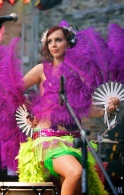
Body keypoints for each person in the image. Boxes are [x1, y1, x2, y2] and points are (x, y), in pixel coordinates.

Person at [16, 21, 120, 195]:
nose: (53, 45)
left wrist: (107, 109)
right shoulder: (41, 70)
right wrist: (31, 110)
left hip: (75, 142)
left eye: (58, 40)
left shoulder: (80, 75)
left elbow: (89, 110)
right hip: (49, 142)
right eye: (49, 41)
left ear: (69, 43)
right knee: (75, 172)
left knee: (74, 187)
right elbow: (14, 91)